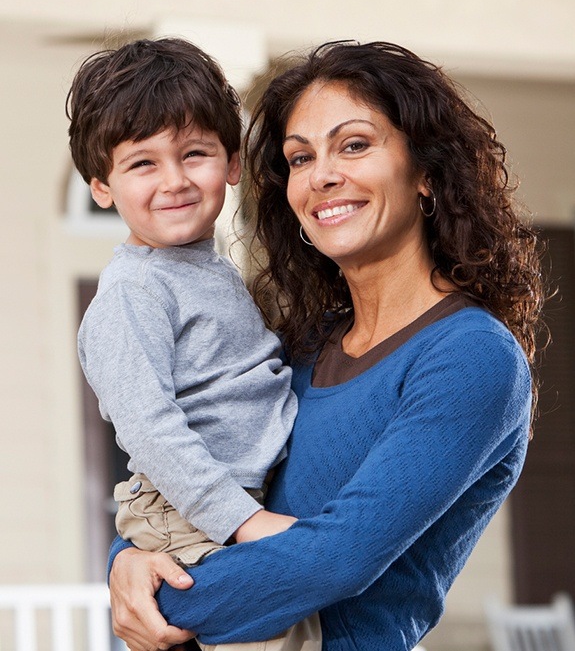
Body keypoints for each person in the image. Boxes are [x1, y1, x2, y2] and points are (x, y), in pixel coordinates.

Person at [107, 40, 545, 651]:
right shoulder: (303, 346)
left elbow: (337, 558)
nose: (323, 175)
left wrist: (157, 591)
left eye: (355, 145)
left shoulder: (470, 357)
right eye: (300, 157)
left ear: (426, 170)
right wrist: (126, 558)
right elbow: (198, 466)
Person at [67, 37, 321, 651]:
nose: (174, 181)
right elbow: (150, 429)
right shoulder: (133, 293)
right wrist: (244, 520)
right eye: (142, 164)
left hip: (224, 503)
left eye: (195, 153)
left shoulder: (204, 268)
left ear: (232, 163)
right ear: (102, 186)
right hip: (189, 512)